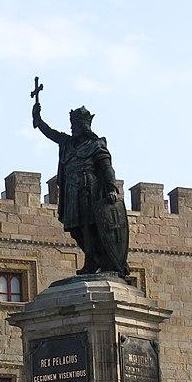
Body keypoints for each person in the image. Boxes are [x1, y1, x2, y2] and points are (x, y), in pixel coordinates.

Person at [31, 93, 130, 276]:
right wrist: (38, 119)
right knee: (75, 229)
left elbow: (107, 168)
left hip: (89, 190)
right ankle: (92, 258)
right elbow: (51, 133)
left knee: (90, 226)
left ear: (84, 126)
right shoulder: (67, 144)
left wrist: (111, 188)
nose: (73, 128)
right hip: (71, 192)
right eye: (72, 125)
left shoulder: (96, 145)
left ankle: (94, 261)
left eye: (76, 125)